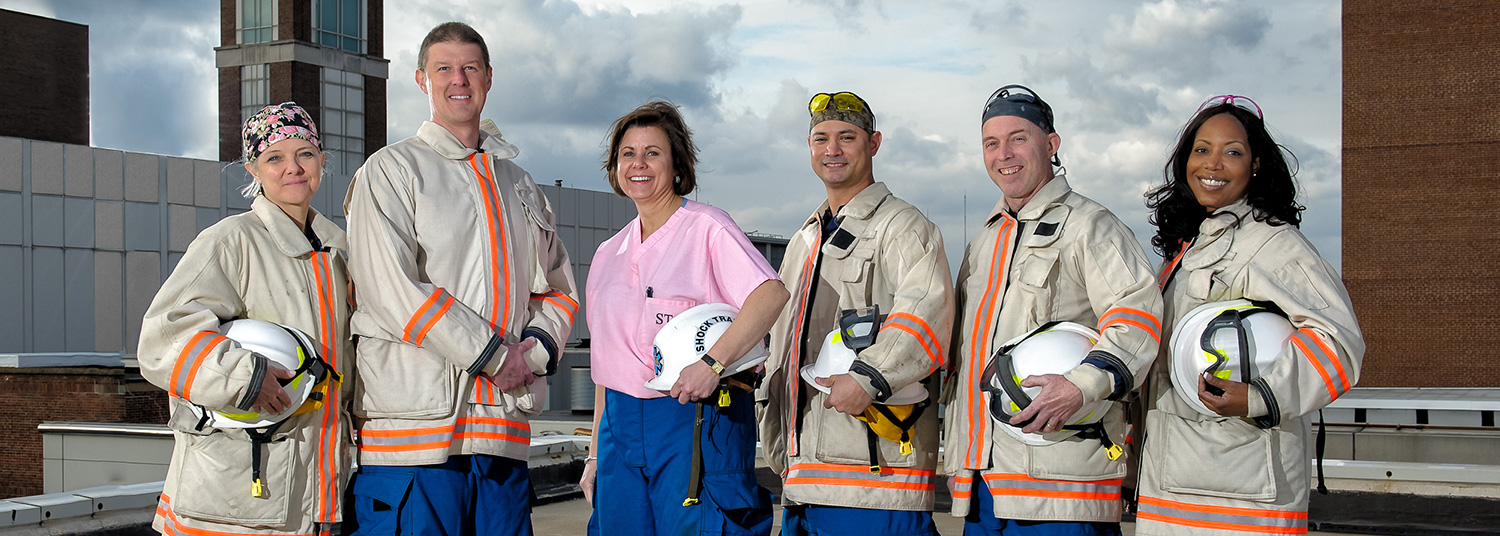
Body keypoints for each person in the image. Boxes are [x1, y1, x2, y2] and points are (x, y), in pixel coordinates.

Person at [342, 21, 577, 536]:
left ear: (489, 78)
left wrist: (530, 356)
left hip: (500, 438)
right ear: (422, 80)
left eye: (470, 68)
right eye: (443, 69)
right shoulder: (391, 170)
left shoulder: (520, 185)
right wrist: (495, 356)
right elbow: (390, 291)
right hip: (415, 437)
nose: (458, 80)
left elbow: (557, 288)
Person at [1133, 95, 1364, 535]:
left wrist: (1259, 395)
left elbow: (1339, 344)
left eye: (1232, 152)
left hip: (1244, 496)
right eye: (1202, 150)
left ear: (1256, 164)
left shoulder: (1274, 244)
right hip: (1171, 489)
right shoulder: (1189, 248)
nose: (1212, 165)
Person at [941, 84, 1163, 535]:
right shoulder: (983, 242)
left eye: (1018, 138)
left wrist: (1083, 385)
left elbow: (1138, 318)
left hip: (1063, 485)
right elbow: (964, 361)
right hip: (984, 486)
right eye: (991, 143)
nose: (1004, 153)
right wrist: (960, 457)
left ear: (1051, 144)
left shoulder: (1092, 226)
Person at [137, 102, 353, 535]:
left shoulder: (342, 252)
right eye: (275, 158)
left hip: (319, 495)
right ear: (253, 170)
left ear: (322, 162)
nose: (292, 168)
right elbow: (163, 338)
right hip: (234, 499)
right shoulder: (229, 242)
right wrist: (245, 377)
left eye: (305, 154)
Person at [579, 101, 787, 536]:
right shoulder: (607, 255)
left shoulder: (708, 228)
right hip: (619, 426)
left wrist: (712, 363)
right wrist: (596, 454)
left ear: (676, 165)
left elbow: (770, 294)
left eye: (652, 153)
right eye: (627, 154)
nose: (638, 164)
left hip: (692, 417)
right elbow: (606, 366)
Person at [756, 91, 954, 535]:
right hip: (803, 477)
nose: (833, 150)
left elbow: (927, 315)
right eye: (821, 138)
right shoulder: (805, 239)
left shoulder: (902, 226)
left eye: (847, 137)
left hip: (873, 479)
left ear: (874, 143)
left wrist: (868, 377)